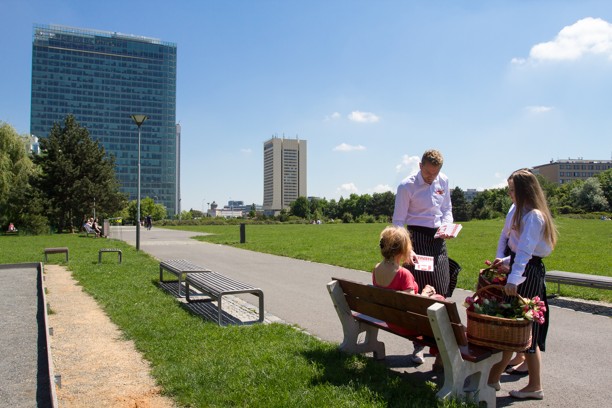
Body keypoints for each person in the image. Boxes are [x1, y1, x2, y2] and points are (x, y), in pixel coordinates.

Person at [487, 169, 558, 400]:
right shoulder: (521, 211)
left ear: (524, 191)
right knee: (522, 330)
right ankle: (504, 380)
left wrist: (513, 280)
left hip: (527, 274)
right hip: (522, 269)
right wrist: (505, 261)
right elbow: (516, 248)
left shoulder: (534, 216)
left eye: (512, 190)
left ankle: (496, 380)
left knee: (520, 330)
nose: (509, 194)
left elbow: (527, 253)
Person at [392, 149, 453, 363]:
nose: (431, 178)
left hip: (438, 239)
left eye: (434, 174)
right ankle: (418, 344)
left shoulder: (443, 181)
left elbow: (446, 208)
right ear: (420, 166)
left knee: (442, 288)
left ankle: (439, 351)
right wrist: (408, 248)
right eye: (427, 173)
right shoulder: (406, 185)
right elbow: (398, 221)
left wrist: (447, 226)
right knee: (420, 295)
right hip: (416, 239)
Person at [372, 226, 445, 367]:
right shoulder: (403, 274)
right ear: (404, 249)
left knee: (436, 303)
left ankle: (436, 354)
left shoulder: (376, 269)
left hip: (390, 319)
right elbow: (412, 306)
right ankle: (441, 356)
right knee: (439, 304)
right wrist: (426, 293)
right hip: (406, 324)